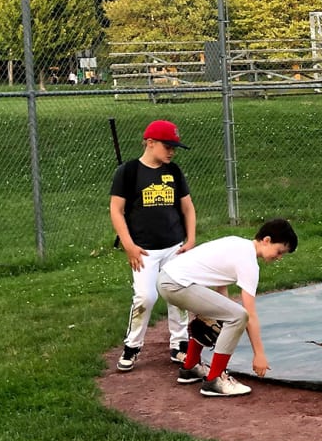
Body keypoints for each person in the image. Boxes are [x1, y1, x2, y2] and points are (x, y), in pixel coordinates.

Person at [160, 219, 297, 397]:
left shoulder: (237, 243)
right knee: (238, 315)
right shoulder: (248, 262)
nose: (279, 257)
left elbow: (219, 287)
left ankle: (191, 368)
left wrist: (220, 319)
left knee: (226, 314)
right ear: (267, 240)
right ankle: (215, 380)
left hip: (168, 279)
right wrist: (259, 355)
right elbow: (250, 315)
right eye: (279, 251)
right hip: (176, 284)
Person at [110, 119, 196, 372]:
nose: (171, 151)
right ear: (150, 143)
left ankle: (179, 344)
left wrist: (190, 240)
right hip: (144, 249)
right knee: (145, 297)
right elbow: (116, 210)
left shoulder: (174, 172)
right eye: (167, 146)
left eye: (174, 147)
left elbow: (187, 208)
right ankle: (132, 345)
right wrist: (129, 245)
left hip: (174, 246)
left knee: (178, 295)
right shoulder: (129, 172)